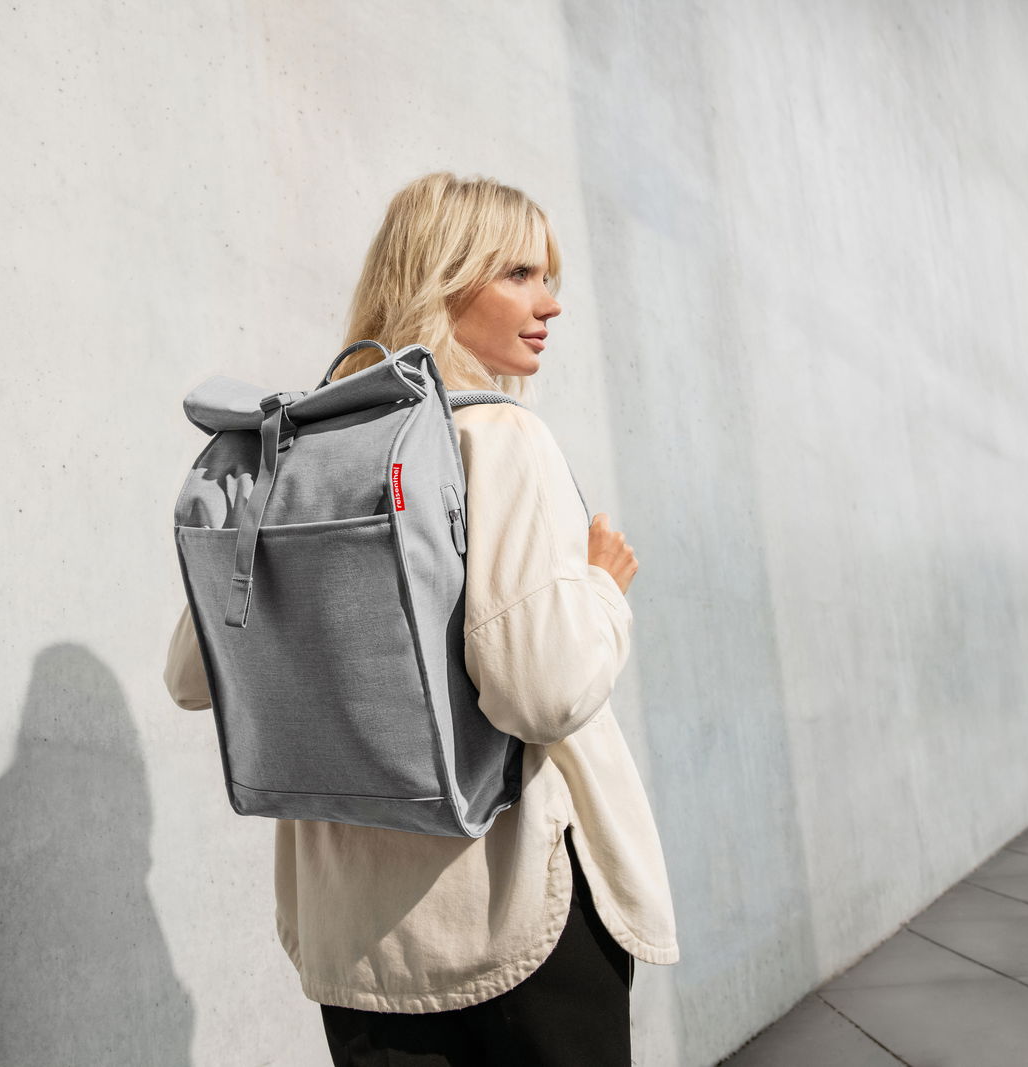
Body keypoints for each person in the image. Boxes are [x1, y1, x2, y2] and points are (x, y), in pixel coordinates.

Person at [163, 171, 678, 1065]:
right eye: (519, 273)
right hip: (508, 907)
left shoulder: (297, 449)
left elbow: (191, 673)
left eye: (548, 277)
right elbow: (541, 692)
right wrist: (600, 587)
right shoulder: (503, 439)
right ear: (445, 275)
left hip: (350, 933)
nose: (549, 303)